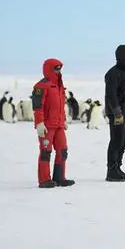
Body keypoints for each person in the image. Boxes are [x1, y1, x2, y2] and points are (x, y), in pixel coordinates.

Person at [32, 58, 74, 188]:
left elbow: (61, 106)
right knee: (46, 152)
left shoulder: (59, 85)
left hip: (59, 125)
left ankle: (59, 178)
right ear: (49, 69)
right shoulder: (41, 86)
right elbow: (38, 107)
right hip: (47, 126)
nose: (59, 71)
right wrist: (39, 123)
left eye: (60, 68)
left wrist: (64, 120)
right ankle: (44, 180)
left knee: (63, 150)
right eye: (56, 68)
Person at [104, 44, 125, 182]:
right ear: (121, 57)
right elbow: (111, 95)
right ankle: (111, 171)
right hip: (118, 114)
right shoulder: (112, 73)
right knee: (117, 141)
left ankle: (117, 167)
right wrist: (117, 112)